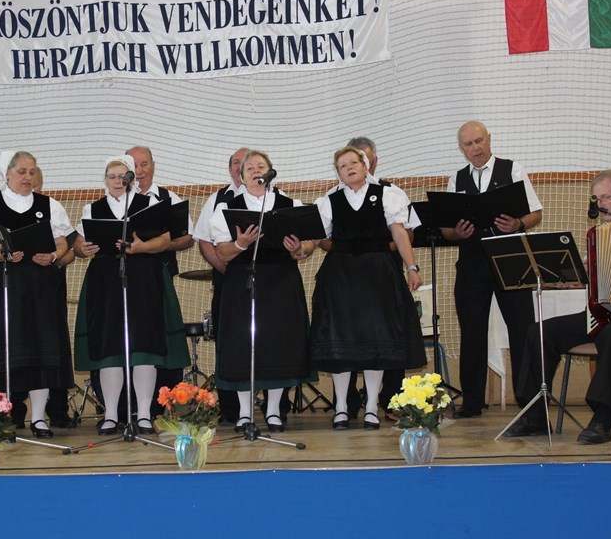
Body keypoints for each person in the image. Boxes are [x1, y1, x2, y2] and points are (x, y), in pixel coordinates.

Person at [505, 170, 611, 444]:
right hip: (602, 314)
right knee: (540, 332)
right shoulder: (600, 234)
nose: (600, 205)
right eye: (596, 199)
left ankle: (602, 419)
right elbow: (601, 283)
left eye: (606, 198)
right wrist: (580, 275)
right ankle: (535, 415)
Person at [310, 146, 426, 431]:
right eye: (342, 165)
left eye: (354, 162)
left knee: (377, 342)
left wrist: (412, 267)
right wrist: (298, 249)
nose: (349, 168)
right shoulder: (328, 201)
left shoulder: (387, 194)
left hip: (378, 276)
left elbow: (400, 233)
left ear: (365, 166)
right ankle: (341, 408)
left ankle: (372, 407)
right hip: (340, 279)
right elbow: (313, 238)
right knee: (341, 343)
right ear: (338, 173)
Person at [73, 155, 189, 435]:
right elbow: (78, 244)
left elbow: (166, 239)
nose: (117, 181)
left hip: (144, 278)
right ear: (105, 180)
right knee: (110, 349)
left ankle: (145, 414)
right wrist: (82, 249)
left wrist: (141, 248)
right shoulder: (93, 208)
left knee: (144, 347)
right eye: (112, 176)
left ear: (132, 180)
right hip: (105, 281)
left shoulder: (148, 204)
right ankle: (112, 414)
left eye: (122, 176)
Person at [0, 150, 75, 439]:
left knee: (40, 351)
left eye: (32, 171)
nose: (28, 177)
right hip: (2, 286)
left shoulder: (50, 205)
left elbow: (63, 243)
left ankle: (38, 418)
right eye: (22, 171)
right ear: (7, 174)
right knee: (3, 349)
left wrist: (53, 255)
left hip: (39, 288)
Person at [441, 121, 543, 418]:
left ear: (489, 139)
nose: (476, 148)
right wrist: (457, 233)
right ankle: (472, 402)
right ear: (461, 149)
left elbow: (536, 212)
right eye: (468, 144)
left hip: (511, 260)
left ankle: (528, 399)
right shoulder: (457, 179)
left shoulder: (513, 170)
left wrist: (518, 224)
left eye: (479, 141)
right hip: (471, 264)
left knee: (522, 329)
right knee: (472, 331)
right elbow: (446, 230)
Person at [209, 149, 316, 433]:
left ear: (270, 172)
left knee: (278, 345)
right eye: (250, 168)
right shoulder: (227, 208)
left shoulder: (290, 204)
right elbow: (221, 252)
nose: (256, 171)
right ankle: (245, 413)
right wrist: (241, 244)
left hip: (281, 282)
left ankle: (273, 411)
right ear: (242, 177)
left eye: (261, 166)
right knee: (242, 346)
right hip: (243, 283)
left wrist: (298, 249)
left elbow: (308, 245)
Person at [125, 145, 193, 413]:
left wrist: (160, 245)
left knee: (160, 339)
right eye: (133, 166)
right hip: (123, 284)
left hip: (159, 279)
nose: (139, 171)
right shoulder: (115, 200)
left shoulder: (169, 198)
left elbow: (187, 238)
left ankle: (160, 403)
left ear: (153, 166)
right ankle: (127, 406)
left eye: (144, 164)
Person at [192, 147, 248, 424]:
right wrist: (223, 266)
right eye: (236, 163)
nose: (241, 167)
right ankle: (230, 407)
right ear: (230, 169)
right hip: (227, 281)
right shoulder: (217, 199)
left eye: (246, 162)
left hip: (266, 283)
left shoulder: (274, 196)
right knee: (227, 342)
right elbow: (203, 239)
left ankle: (277, 405)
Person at [33, 165, 76, 429]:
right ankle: (16, 410)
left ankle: (58, 409)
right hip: (21, 289)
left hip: (50, 285)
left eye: (36, 183)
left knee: (54, 345)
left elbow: (70, 250)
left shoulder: (53, 208)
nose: (31, 187)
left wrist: (56, 260)